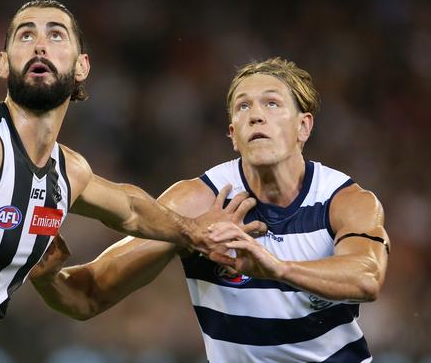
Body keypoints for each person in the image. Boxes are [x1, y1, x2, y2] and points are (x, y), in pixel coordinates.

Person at [0, 0, 246, 363]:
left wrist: (194, 232)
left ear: (81, 65)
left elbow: (132, 209)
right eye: (25, 34)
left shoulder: (69, 172)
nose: (39, 45)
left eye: (56, 34)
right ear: (3, 62)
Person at [30, 57, 390, 362]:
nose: (256, 116)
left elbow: (367, 277)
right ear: (233, 134)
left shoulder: (344, 200)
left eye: (272, 103)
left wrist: (275, 268)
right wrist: (46, 278)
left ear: (304, 126)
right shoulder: (195, 205)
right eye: (243, 106)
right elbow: (88, 296)